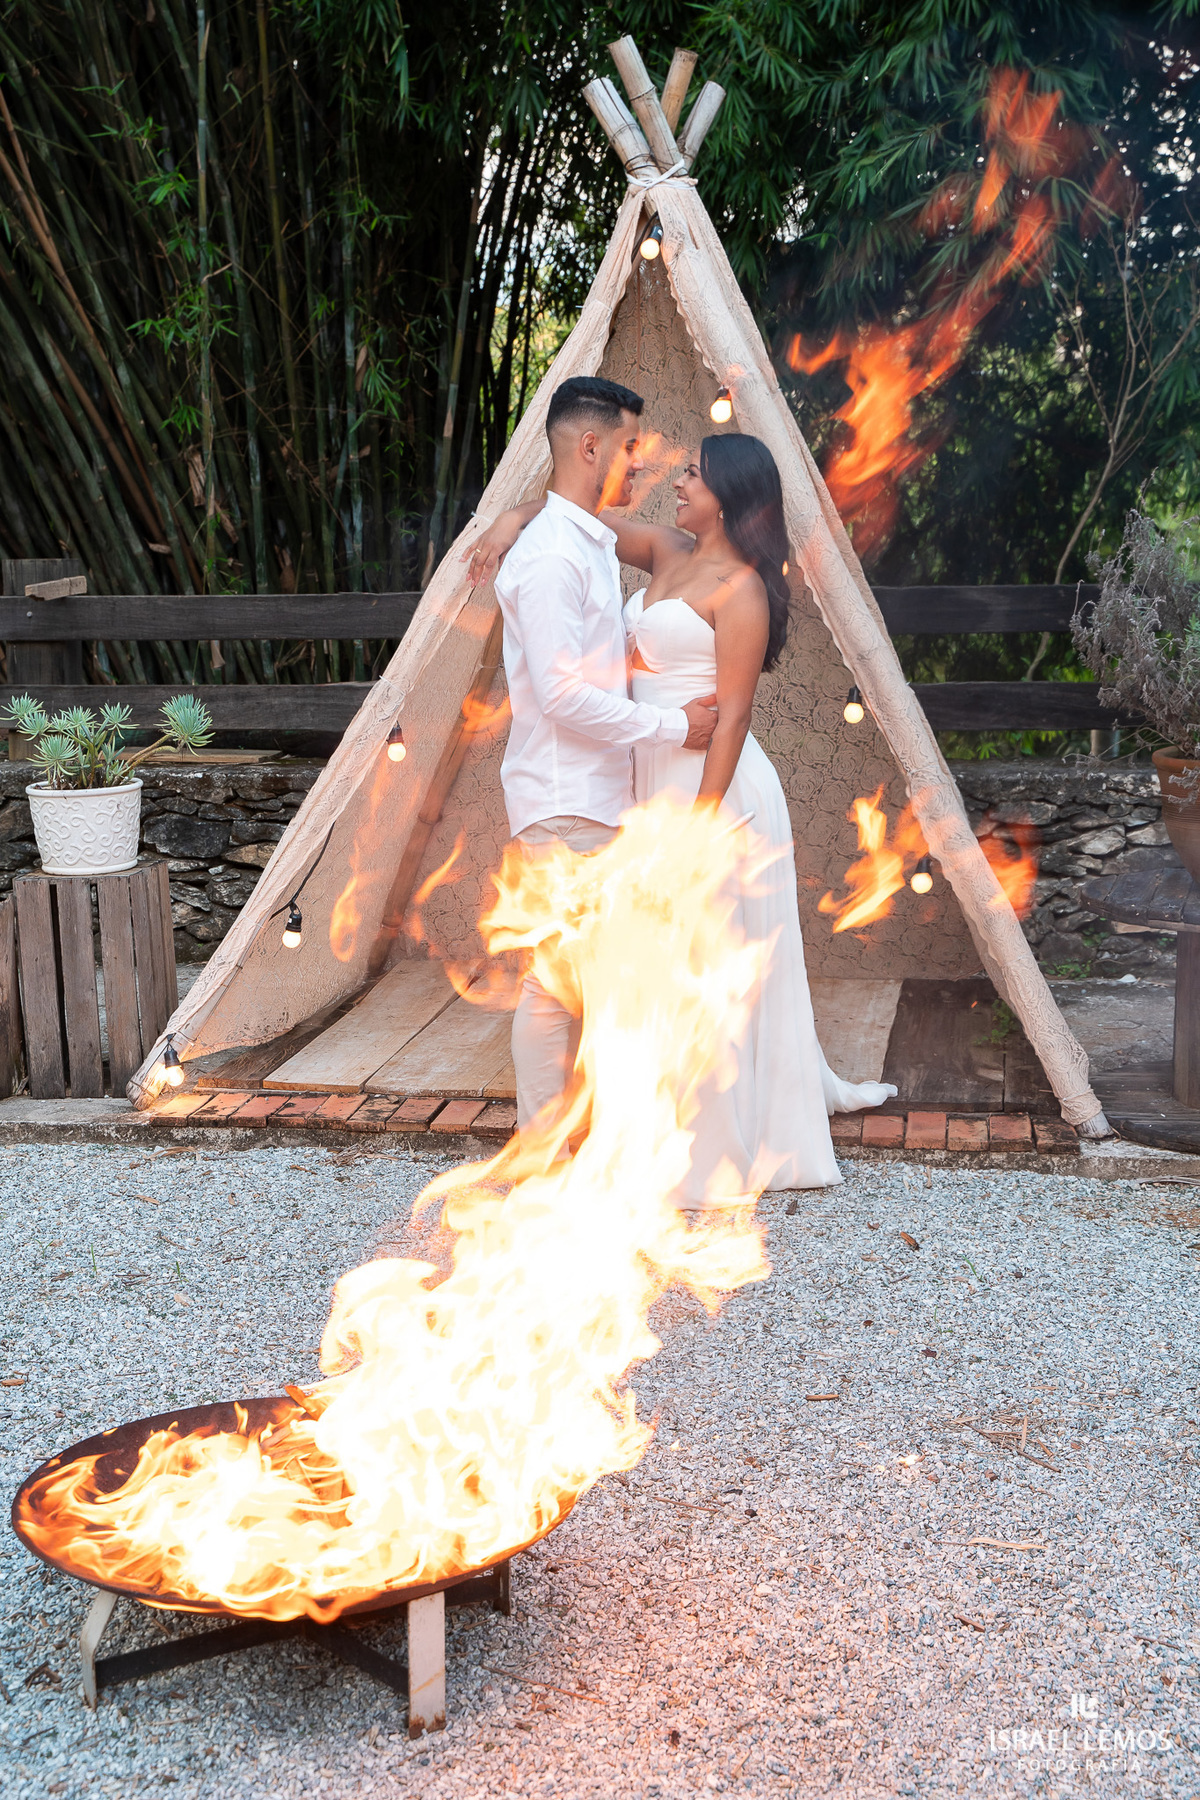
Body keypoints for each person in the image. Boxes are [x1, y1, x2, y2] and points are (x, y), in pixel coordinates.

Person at [470, 428, 896, 1196]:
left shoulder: (742, 591)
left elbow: (731, 720)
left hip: (715, 792)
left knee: (711, 966)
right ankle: (652, 1132)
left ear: (730, 495)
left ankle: (720, 1148)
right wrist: (513, 518)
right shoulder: (668, 549)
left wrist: (692, 837)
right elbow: (576, 519)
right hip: (647, 771)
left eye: (693, 475)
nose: (677, 482)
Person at [478, 375, 721, 1135]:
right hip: (564, 803)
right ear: (591, 446)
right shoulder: (552, 556)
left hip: (591, 800)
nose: (639, 464)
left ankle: (579, 1148)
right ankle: (542, 1154)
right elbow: (556, 697)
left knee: (593, 982)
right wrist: (674, 728)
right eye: (628, 447)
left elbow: (587, 665)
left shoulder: (581, 543)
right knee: (555, 985)